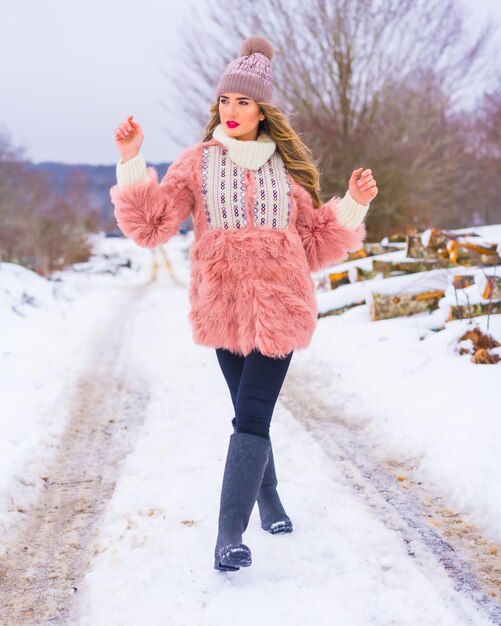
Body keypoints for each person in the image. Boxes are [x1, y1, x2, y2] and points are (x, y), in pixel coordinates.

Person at [111, 35, 378, 572]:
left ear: (263, 110)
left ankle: (227, 537)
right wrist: (132, 160)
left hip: (281, 307)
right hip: (222, 306)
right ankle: (269, 497)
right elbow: (154, 224)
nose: (232, 111)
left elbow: (317, 240)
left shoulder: (286, 171)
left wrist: (354, 203)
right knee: (246, 415)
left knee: (252, 415)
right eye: (226, 101)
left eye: (244, 102)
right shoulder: (197, 164)